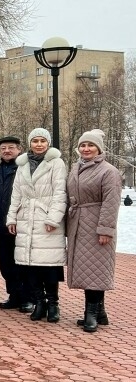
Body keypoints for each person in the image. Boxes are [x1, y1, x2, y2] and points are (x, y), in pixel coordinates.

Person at [6, 128, 67, 323]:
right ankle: (39, 303)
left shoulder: (56, 163)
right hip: (26, 218)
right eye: (35, 141)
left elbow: (60, 193)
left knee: (49, 266)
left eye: (42, 140)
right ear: (30, 143)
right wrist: (12, 218)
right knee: (30, 265)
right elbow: (16, 194)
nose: (39, 144)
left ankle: (53, 304)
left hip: (46, 218)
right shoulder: (23, 165)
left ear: (48, 143)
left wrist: (53, 218)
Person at [66, 129, 121, 332]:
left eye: (90, 145)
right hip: (78, 225)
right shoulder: (75, 168)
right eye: (83, 145)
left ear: (99, 148)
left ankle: (90, 314)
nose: (86, 149)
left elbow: (111, 202)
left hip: (97, 224)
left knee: (95, 269)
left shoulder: (109, 171)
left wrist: (106, 229)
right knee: (89, 269)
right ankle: (100, 312)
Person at [0, 136, 24, 310]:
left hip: (19, 224)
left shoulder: (24, 169)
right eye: (3, 148)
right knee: (6, 262)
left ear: (19, 149)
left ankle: (27, 296)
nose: (7, 151)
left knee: (21, 262)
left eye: (11, 147)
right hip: (1, 225)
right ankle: (14, 295)